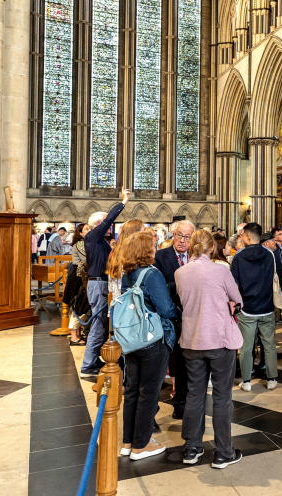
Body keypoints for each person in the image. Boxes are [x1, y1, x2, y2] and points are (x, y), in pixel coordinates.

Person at [175, 229, 244, 469]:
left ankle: (192, 448)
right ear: (211, 248)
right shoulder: (220, 270)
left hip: (192, 340)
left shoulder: (180, 272)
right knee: (222, 398)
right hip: (219, 340)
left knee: (194, 394)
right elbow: (237, 297)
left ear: (191, 246)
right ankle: (224, 452)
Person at [119, 230, 180, 461]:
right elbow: (165, 309)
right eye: (153, 246)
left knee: (133, 391)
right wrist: (178, 312)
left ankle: (128, 442)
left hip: (131, 338)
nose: (156, 249)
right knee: (149, 393)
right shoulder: (151, 273)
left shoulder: (126, 273)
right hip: (151, 339)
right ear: (146, 250)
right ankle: (141, 445)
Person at [80, 189, 131, 377]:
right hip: (98, 284)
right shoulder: (92, 236)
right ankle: (88, 364)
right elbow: (109, 219)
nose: (110, 227)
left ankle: (94, 358)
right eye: (106, 224)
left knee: (101, 325)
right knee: (98, 325)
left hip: (101, 283)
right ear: (99, 224)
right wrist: (123, 202)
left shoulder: (100, 240)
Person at [154, 219, 195, 419]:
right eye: (179, 235)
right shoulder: (161, 256)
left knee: (186, 361)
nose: (182, 240)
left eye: (187, 237)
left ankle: (183, 402)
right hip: (170, 316)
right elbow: (158, 285)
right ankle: (153, 410)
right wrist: (180, 284)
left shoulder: (196, 257)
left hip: (193, 316)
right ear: (173, 235)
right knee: (167, 361)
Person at [230, 223, 278, 391]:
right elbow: (273, 277)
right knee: (269, 344)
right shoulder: (270, 254)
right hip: (266, 305)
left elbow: (234, 284)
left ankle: (247, 381)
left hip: (247, 308)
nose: (241, 238)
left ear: (248, 237)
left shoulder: (238, 256)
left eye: (242, 235)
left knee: (246, 347)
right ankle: (271, 379)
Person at [64, 223, 90, 346]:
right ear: (80, 233)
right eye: (87, 229)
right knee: (77, 305)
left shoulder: (84, 243)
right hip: (78, 277)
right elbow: (86, 259)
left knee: (81, 306)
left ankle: (78, 333)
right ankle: (74, 336)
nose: (90, 230)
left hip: (82, 276)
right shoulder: (80, 244)